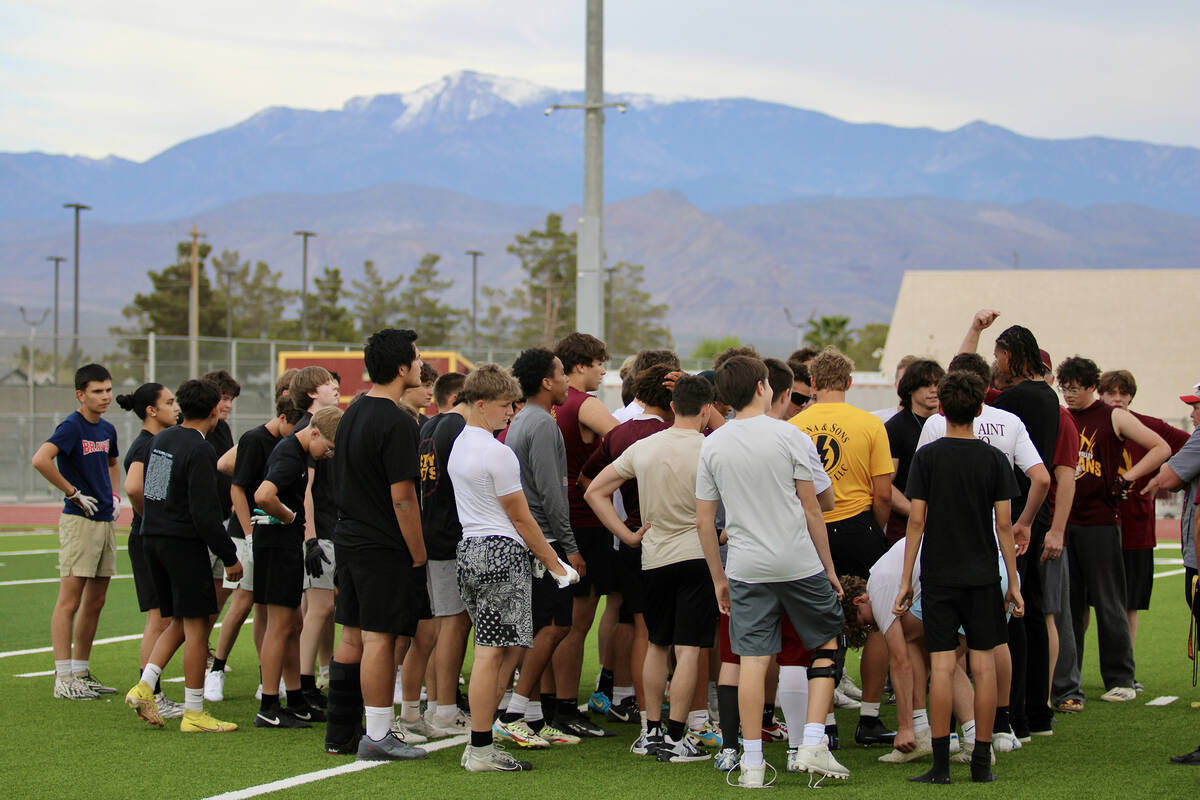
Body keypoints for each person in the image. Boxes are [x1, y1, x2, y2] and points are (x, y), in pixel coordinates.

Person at [698, 355, 848, 787]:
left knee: (752, 660)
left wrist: (719, 579)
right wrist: (829, 569)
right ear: (763, 387)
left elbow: (704, 522)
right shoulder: (790, 435)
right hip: (798, 560)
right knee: (828, 641)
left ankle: (751, 764)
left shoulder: (713, 444)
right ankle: (813, 740)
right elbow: (814, 508)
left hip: (746, 566)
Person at [895, 370, 1024, 784]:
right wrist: (1014, 581)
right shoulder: (994, 459)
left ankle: (940, 765)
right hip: (983, 575)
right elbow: (1004, 526)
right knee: (983, 667)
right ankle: (982, 761)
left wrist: (905, 580)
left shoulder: (927, 458)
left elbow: (916, 521)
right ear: (980, 408)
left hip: (939, 576)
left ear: (943, 410)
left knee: (942, 665)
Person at [585, 373, 719, 763]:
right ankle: (677, 736)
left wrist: (626, 535)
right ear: (707, 409)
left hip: (655, 556)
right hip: (697, 555)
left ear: (673, 406)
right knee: (689, 648)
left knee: (658, 643)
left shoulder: (644, 446)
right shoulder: (711, 447)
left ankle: (651, 731)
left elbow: (594, 490)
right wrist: (725, 535)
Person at [450, 365, 577, 772]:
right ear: (481, 403)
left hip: (470, 550)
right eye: (505, 405)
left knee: (494, 652)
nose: (511, 412)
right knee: (492, 656)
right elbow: (521, 518)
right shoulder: (496, 451)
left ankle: (480, 744)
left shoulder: (460, 444)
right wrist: (556, 564)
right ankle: (481, 749)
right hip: (500, 554)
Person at [324, 328, 428, 761]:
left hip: (349, 537)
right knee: (379, 640)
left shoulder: (352, 411)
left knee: (352, 636)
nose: (421, 364)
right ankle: (378, 735)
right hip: (381, 545)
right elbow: (402, 497)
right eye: (416, 358)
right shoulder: (397, 420)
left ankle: (339, 734)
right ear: (401, 368)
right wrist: (418, 553)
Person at [790, 348, 895, 748]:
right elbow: (883, 493)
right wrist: (874, 531)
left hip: (812, 530)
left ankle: (826, 722)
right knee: (879, 620)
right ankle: (869, 717)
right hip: (859, 527)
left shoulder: (794, 426)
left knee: (818, 622)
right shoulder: (870, 424)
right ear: (850, 382)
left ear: (813, 383)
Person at [124, 379, 243, 732]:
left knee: (178, 620)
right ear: (213, 411)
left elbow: (153, 493)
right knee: (197, 628)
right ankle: (194, 712)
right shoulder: (201, 449)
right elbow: (204, 514)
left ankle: (144, 686)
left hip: (153, 538)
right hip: (182, 544)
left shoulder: (161, 439)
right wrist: (230, 556)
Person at [1056, 356, 1169, 702]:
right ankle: (1067, 681)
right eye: (1065, 388)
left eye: (1076, 388)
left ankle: (1121, 679)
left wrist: (1127, 478)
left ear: (1092, 387)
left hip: (1101, 521)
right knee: (1069, 606)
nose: (1069, 394)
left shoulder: (1114, 416)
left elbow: (1161, 447)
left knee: (1109, 602)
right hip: (1065, 521)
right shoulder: (1061, 416)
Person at [493, 348, 581, 748]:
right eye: (562, 374)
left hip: (529, 536)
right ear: (546, 381)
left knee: (542, 625)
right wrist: (569, 547)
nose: (567, 381)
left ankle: (531, 717)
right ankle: (513, 713)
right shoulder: (542, 424)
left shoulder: (523, 419)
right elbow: (551, 492)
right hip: (544, 539)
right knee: (554, 626)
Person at [32, 363, 121, 700]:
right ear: (80, 395)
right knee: (70, 600)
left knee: (96, 600)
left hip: (104, 520)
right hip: (79, 521)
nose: (105, 396)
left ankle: (81, 673)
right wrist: (72, 492)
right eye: (97, 391)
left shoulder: (107, 429)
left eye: (108, 389)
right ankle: (63, 677)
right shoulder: (71, 426)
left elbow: (113, 463)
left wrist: (115, 496)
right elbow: (41, 459)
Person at [206, 396, 303, 702]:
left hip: (272, 533)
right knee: (243, 600)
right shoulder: (255, 439)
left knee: (266, 607)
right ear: (283, 418)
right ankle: (216, 669)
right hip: (248, 531)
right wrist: (248, 534)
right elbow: (237, 487)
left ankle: (267, 678)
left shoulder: (290, 444)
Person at [251, 405, 342, 728]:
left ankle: (296, 699)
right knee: (279, 626)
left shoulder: (298, 453)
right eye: (327, 448)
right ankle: (269, 704)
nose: (328, 455)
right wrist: (289, 517)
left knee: (293, 624)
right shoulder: (290, 454)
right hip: (276, 545)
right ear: (314, 432)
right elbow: (264, 495)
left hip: (284, 545)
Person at [1097, 369, 1190, 683]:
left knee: (1130, 604)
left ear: (1131, 396)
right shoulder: (1090, 424)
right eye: (1111, 393)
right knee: (1082, 604)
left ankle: (1126, 671)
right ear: (1100, 394)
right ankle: (1070, 674)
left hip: (1136, 530)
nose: (1118, 399)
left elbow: (1190, 447)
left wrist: (1165, 473)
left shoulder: (1149, 426)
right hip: (1094, 526)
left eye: (1123, 393)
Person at [551, 332, 619, 738]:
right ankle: (564, 708)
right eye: (598, 364)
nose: (604, 371)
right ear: (580, 366)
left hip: (556, 523)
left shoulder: (550, 405)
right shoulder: (583, 404)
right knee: (575, 625)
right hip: (584, 522)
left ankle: (547, 705)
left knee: (556, 622)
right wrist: (595, 475)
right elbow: (627, 443)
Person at [400, 370, 473, 739]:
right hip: (447, 536)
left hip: (432, 532)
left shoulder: (429, 425)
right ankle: (445, 708)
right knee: (451, 625)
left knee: (438, 625)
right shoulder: (457, 427)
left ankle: (434, 705)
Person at [118, 383, 183, 719]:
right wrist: (151, 519)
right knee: (159, 618)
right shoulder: (147, 444)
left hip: (152, 536)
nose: (176, 407)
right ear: (151, 411)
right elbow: (133, 487)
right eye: (169, 402)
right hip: (147, 538)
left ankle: (151, 693)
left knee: (164, 617)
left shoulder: (159, 442)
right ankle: (150, 695)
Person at [288, 366, 342, 708]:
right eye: (327, 384)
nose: (335, 387)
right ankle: (303, 685)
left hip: (328, 526)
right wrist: (310, 538)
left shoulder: (325, 424)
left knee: (321, 608)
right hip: (319, 530)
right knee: (319, 608)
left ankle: (315, 676)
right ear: (311, 393)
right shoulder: (308, 430)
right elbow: (305, 489)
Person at [885, 360, 945, 544]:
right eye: (926, 385)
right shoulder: (895, 427)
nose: (933, 390)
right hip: (904, 524)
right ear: (910, 388)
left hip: (943, 521)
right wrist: (916, 512)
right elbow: (885, 483)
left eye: (937, 384)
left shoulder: (948, 423)